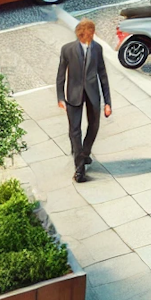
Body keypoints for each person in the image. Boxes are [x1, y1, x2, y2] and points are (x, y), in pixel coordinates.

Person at [56, 19, 112, 183]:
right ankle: (79, 170)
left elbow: (102, 75)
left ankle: (83, 152)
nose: (91, 36)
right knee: (75, 131)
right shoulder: (67, 50)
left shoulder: (97, 49)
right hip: (73, 95)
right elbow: (60, 75)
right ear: (82, 35)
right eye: (89, 34)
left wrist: (107, 102)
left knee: (94, 126)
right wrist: (60, 97)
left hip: (93, 94)